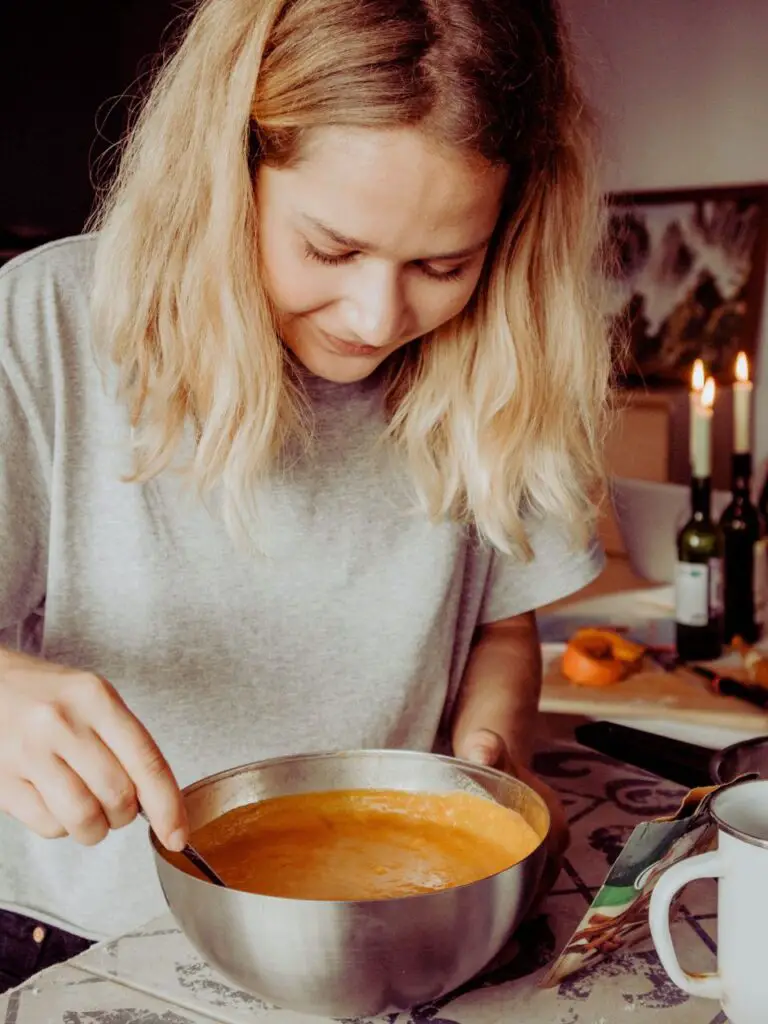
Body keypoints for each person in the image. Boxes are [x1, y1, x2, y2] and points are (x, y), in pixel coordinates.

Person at [0, 0, 610, 991]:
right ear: (225, 174)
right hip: (82, 933)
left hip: (388, 927)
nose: (378, 316)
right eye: (331, 249)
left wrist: (489, 765)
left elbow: (500, 624)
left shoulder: (504, 355)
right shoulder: (47, 324)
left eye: (443, 264)